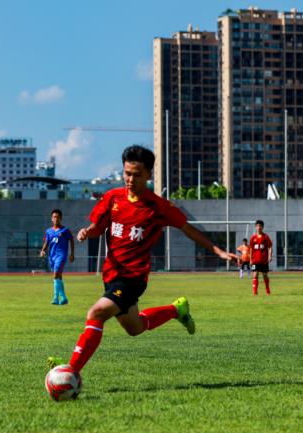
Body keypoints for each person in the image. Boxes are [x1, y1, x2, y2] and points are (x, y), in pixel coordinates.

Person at [47, 145, 237, 376]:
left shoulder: (158, 206)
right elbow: (99, 227)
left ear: (149, 175)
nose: (130, 179)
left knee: (96, 313)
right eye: (127, 173)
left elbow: (187, 228)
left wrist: (217, 250)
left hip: (133, 278)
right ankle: (177, 310)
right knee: (135, 328)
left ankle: (70, 371)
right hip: (111, 275)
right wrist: (87, 231)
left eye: (137, 175)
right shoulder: (112, 198)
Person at [40, 209, 74, 305]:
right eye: (54, 217)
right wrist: (43, 250)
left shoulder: (65, 230)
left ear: (61, 218)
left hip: (61, 255)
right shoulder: (48, 231)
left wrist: (72, 254)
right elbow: (46, 242)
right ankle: (63, 298)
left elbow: (71, 240)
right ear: (51, 219)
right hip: (52, 256)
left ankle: (55, 297)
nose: (56, 219)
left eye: (58, 217)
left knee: (55, 274)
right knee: (58, 276)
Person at [249, 220, 272, 295]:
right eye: (257, 226)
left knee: (265, 275)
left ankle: (267, 290)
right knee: (255, 274)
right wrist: (250, 259)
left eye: (260, 226)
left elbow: (270, 247)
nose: (259, 227)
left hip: (263, 260)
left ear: (262, 227)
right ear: (255, 227)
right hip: (255, 260)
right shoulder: (253, 238)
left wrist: (270, 256)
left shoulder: (266, 237)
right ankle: (255, 292)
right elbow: (251, 249)